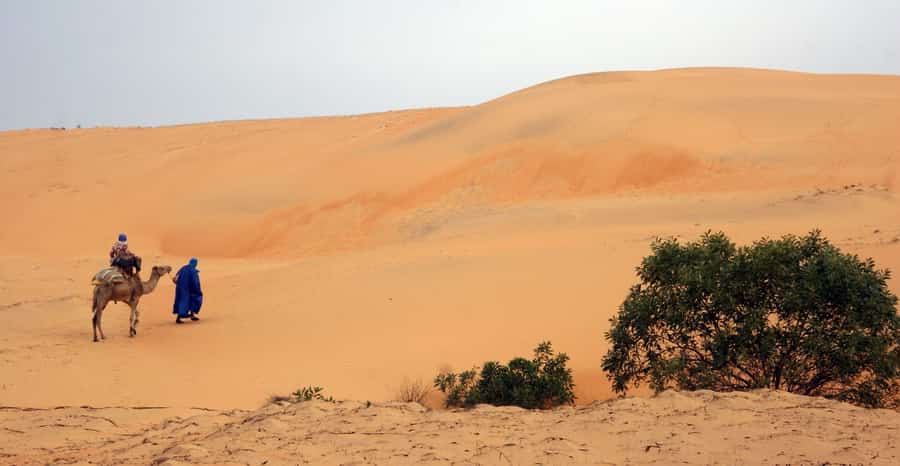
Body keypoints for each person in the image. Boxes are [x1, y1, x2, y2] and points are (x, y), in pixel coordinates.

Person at [172, 257, 203, 324]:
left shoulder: (183, 268)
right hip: (188, 289)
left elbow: (175, 277)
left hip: (180, 288)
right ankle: (185, 316)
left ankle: (188, 316)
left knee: (182, 301)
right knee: (190, 300)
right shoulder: (193, 271)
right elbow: (195, 281)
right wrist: (197, 289)